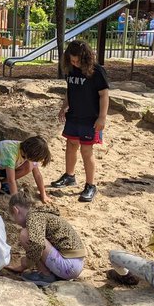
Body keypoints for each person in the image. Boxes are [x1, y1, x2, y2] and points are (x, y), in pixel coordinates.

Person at [51, 40, 109, 202]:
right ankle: (69, 176)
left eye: (77, 61)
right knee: (70, 145)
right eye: (71, 60)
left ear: (85, 58)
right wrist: (64, 107)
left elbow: (104, 95)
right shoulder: (71, 70)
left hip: (90, 118)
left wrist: (102, 117)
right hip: (74, 116)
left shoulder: (97, 72)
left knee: (86, 150)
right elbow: (70, 91)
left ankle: (91, 185)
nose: (74, 63)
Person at [6, 190, 86, 286]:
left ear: (16, 210)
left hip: (68, 266)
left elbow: (38, 244)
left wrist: (26, 263)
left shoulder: (33, 217)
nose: (16, 222)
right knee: (33, 236)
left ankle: (45, 275)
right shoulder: (42, 213)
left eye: (14, 217)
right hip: (76, 264)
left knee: (25, 234)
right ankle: (53, 273)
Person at [0, 136, 51, 202]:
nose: (35, 161)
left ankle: (2, 183)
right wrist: (15, 201)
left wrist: (43, 194)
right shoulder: (11, 152)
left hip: (3, 167)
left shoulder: (27, 152)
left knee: (30, 166)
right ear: (30, 154)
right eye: (35, 159)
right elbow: (11, 180)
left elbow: (37, 175)